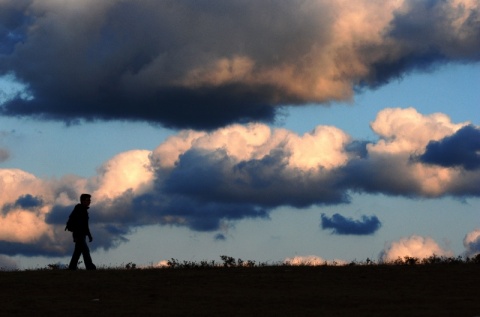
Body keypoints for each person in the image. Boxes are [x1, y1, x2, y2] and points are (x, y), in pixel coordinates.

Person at [68, 193, 96, 270]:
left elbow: (85, 225)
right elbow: (79, 224)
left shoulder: (83, 210)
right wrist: (76, 235)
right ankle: (89, 266)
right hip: (78, 234)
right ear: (83, 201)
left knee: (78, 252)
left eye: (90, 200)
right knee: (85, 250)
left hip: (81, 234)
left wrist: (89, 235)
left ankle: (72, 267)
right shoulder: (80, 210)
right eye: (87, 200)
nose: (89, 201)